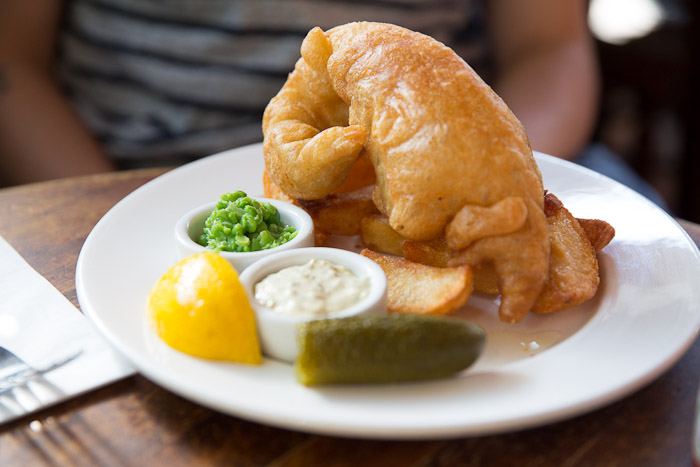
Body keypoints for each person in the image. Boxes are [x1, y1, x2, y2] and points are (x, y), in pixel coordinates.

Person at [0, 0, 664, 205]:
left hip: (434, 177)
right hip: (110, 170)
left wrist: (495, 182)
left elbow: (549, 49)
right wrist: (111, 212)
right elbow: (11, 63)